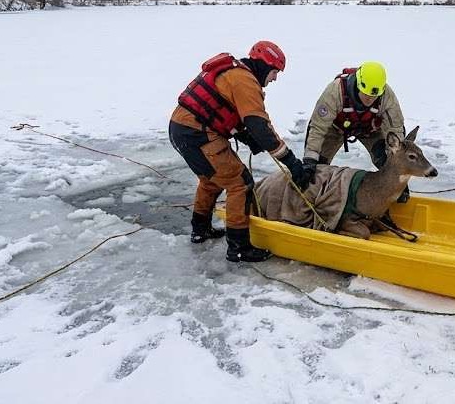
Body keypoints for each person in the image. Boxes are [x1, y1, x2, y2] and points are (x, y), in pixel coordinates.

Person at [168, 40, 314, 262]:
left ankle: (200, 230)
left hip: (182, 129)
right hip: (197, 134)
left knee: (212, 180)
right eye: (275, 72)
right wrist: (291, 162)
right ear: (265, 66)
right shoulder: (245, 81)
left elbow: (221, 110)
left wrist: (247, 137)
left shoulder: (235, 73)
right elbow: (259, 125)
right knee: (240, 183)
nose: (275, 79)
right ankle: (239, 247)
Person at [303, 61, 409, 202]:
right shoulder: (335, 92)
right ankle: (309, 197)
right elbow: (317, 128)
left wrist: (397, 174)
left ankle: (391, 194)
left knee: (385, 160)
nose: (369, 99)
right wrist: (310, 161)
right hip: (336, 128)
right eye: (366, 95)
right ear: (358, 84)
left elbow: (396, 130)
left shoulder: (386, 96)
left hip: (369, 129)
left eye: (374, 96)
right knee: (317, 169)